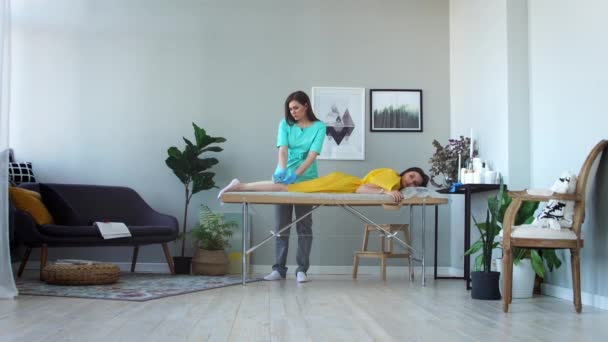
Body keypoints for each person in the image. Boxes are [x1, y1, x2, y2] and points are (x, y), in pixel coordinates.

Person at [265, 90, 326, 283]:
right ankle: (278, 269)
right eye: (290, 109)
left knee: (304, 226)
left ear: (306, 105)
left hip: (306, 181)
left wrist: (296, 175)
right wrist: (283, 172)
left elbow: (311, 156)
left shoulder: (319, 127)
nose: (293, 112)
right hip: (283, 180)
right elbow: (283, 150)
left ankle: (302, 270)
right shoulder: (285, 124)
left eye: (296, 108)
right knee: (281, 226)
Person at [218, 167, 430, 203]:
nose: (411, 181)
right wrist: (387, 191)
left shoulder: (393, 182)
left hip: (339, 183)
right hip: (341, 183)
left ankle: (241, 186)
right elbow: (360, 189)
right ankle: (241, 186)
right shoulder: (392, 177)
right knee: (285, 188)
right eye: (412, 176)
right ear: (406, 172)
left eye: (415, 182)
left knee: (285, 186)